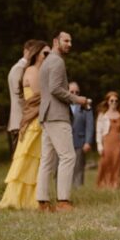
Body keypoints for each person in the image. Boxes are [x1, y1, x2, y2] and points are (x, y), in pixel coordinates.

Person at [36, 31, 89, 212]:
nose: (69, 44)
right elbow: (56, 89)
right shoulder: (57, 61)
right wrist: (77, 100)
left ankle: (43, 202)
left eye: (71, 41)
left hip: (46, 115)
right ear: (55, 41)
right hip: (57, 115)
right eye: (66, 40)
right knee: (68, 156)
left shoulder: (46, 62)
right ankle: (63, 201)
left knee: (47, 160)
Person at [0, 42, 49, 210]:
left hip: (37, 119)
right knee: (29, 159)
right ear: (36, 55)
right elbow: (40, 96)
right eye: (45, 54)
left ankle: (35, 198)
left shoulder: (39, 71)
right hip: (34, 121)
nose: (48, 57)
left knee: (37, 160)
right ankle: (22, 199)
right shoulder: (33, 71)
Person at [7, 40, 40, 156]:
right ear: (26, 51)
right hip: (20, 121)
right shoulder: (19, 69)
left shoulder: (25, 69)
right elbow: (20, 95)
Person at [95, 91, 120, 189]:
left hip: (118, 142)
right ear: (107, 101)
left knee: (117, 163)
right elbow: (98, 131)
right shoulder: (103, 115)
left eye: (116, 101)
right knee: (105, 163)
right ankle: (104, 185)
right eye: (112, 101)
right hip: (107, 141)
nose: (114, 103)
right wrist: (99, 145)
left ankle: (116, 185)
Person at [69, 82, 95, 188]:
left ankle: (78, 189)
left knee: (78, 168)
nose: (75, 93)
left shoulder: (85, 107)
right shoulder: (62, 105)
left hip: (79, 141)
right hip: (64, 141)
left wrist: (88, 142)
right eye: (72, 92)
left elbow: (90, 125)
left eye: (77, 92)